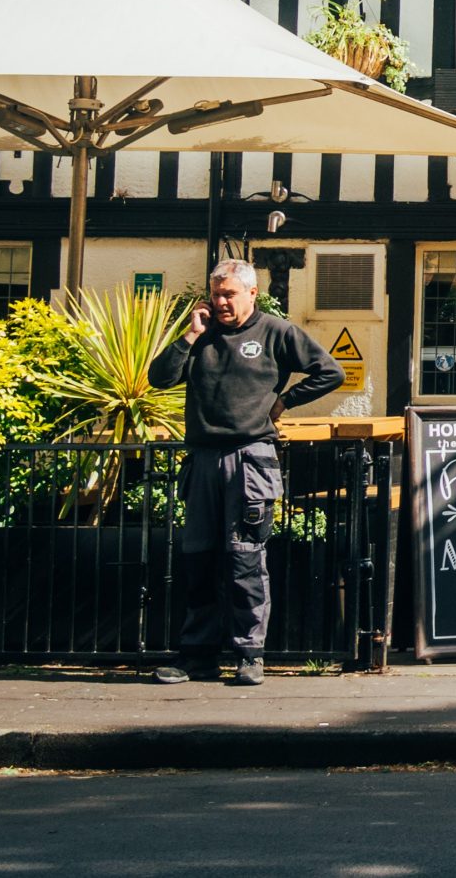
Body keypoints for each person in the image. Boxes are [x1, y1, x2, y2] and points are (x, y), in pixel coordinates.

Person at [146, 258, 343, 685]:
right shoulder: (202, 335)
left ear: (252, 293)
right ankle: (196, 656)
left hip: (250, 457)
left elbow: (331, 372)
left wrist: (285, 401)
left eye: (229, 294)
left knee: (245, 558)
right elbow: (158, 378)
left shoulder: (276, 332)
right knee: (198, 557)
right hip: (202, 458)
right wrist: (190, 334)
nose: (220, 302)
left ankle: (249, 655)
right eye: (216, 294)